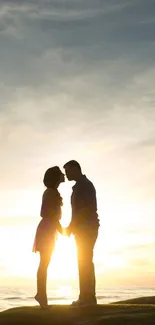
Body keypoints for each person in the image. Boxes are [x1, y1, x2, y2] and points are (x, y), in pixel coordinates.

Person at [63, 160, 100, 306]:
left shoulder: (85, 185)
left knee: (85, 261)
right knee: (84, 261)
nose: (66, 174)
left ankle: (87, 298)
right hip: (82, 227)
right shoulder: (80, 186)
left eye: (68, 171)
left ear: (76, 169)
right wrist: (72, 227)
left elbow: (85, 210)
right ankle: (86, 296)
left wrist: (71, 226)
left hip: (87, 228)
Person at [33, 166, 65, 309]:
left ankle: (41, 295)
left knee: (45, 263)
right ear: (56, 177)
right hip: (47, 229)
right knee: (44, 263)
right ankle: (41, 296)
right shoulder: (50, 192)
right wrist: (62, 229)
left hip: (49, 228)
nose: (63, 175)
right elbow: (49, 213)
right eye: (60, 174)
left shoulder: (52, 192)